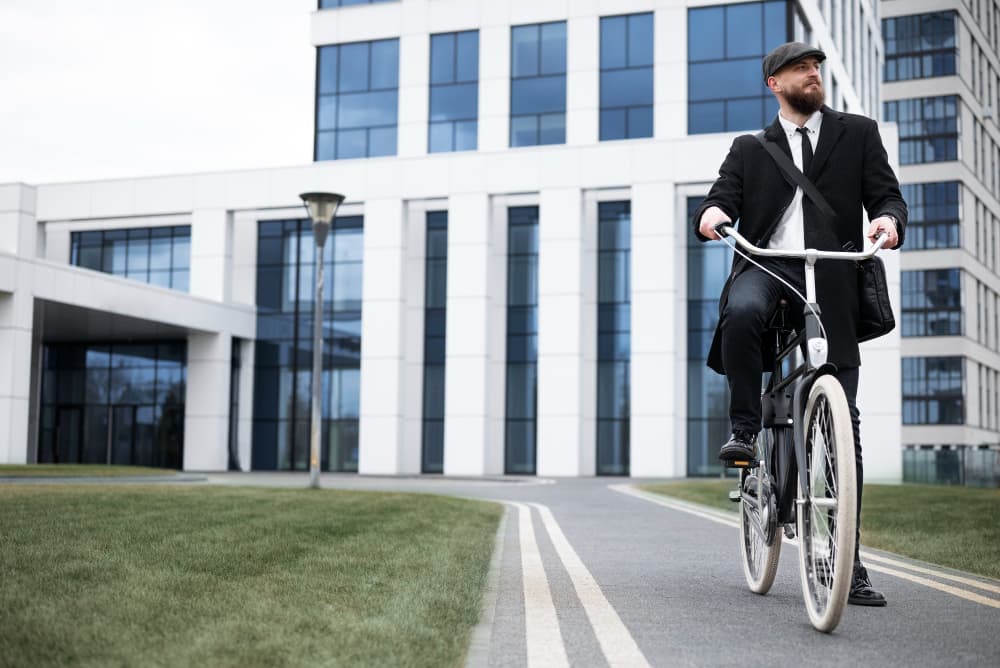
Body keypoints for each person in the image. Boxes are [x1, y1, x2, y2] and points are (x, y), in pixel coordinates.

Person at [691, 42, 907, 607]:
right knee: (741, 311)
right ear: (775, 83)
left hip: (832, 273)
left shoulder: (858, 133)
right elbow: (720, 199)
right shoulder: (750, 147)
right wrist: (712, 214)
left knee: (845, 426)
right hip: (769, 266)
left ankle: (847, 563)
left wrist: (888, 220)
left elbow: (887, 196)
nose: (813, 74)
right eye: (800, 68)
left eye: (816, 67)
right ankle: (744, 432)